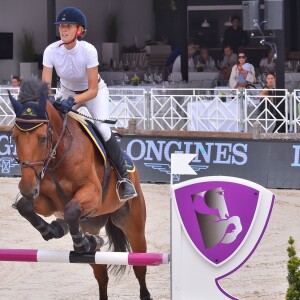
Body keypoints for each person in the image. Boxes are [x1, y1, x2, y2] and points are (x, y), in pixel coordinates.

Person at [42, 7, 137, 200]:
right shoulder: (50, 50)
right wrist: (51, 100)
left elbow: (92, 89)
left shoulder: (88, 50)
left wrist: (72, 102)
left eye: (68, 26)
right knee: (50, 125)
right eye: (61, 26)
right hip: (65, 91)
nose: (63, 30)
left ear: (79, 30)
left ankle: (124, 178)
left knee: (102, 128)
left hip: (94, 93)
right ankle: (42, 172)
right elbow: (45, 85)